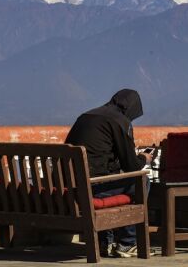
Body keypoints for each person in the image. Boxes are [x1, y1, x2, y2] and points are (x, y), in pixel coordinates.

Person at [65, 89, 152, 258]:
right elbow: (131, 167)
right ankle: (127, 243)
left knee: (109, 178)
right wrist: (143, 158)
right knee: (141, 182)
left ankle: (105, 242)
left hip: (72, 185)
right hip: (93, 188)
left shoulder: (85, 116)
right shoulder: (120, 121)